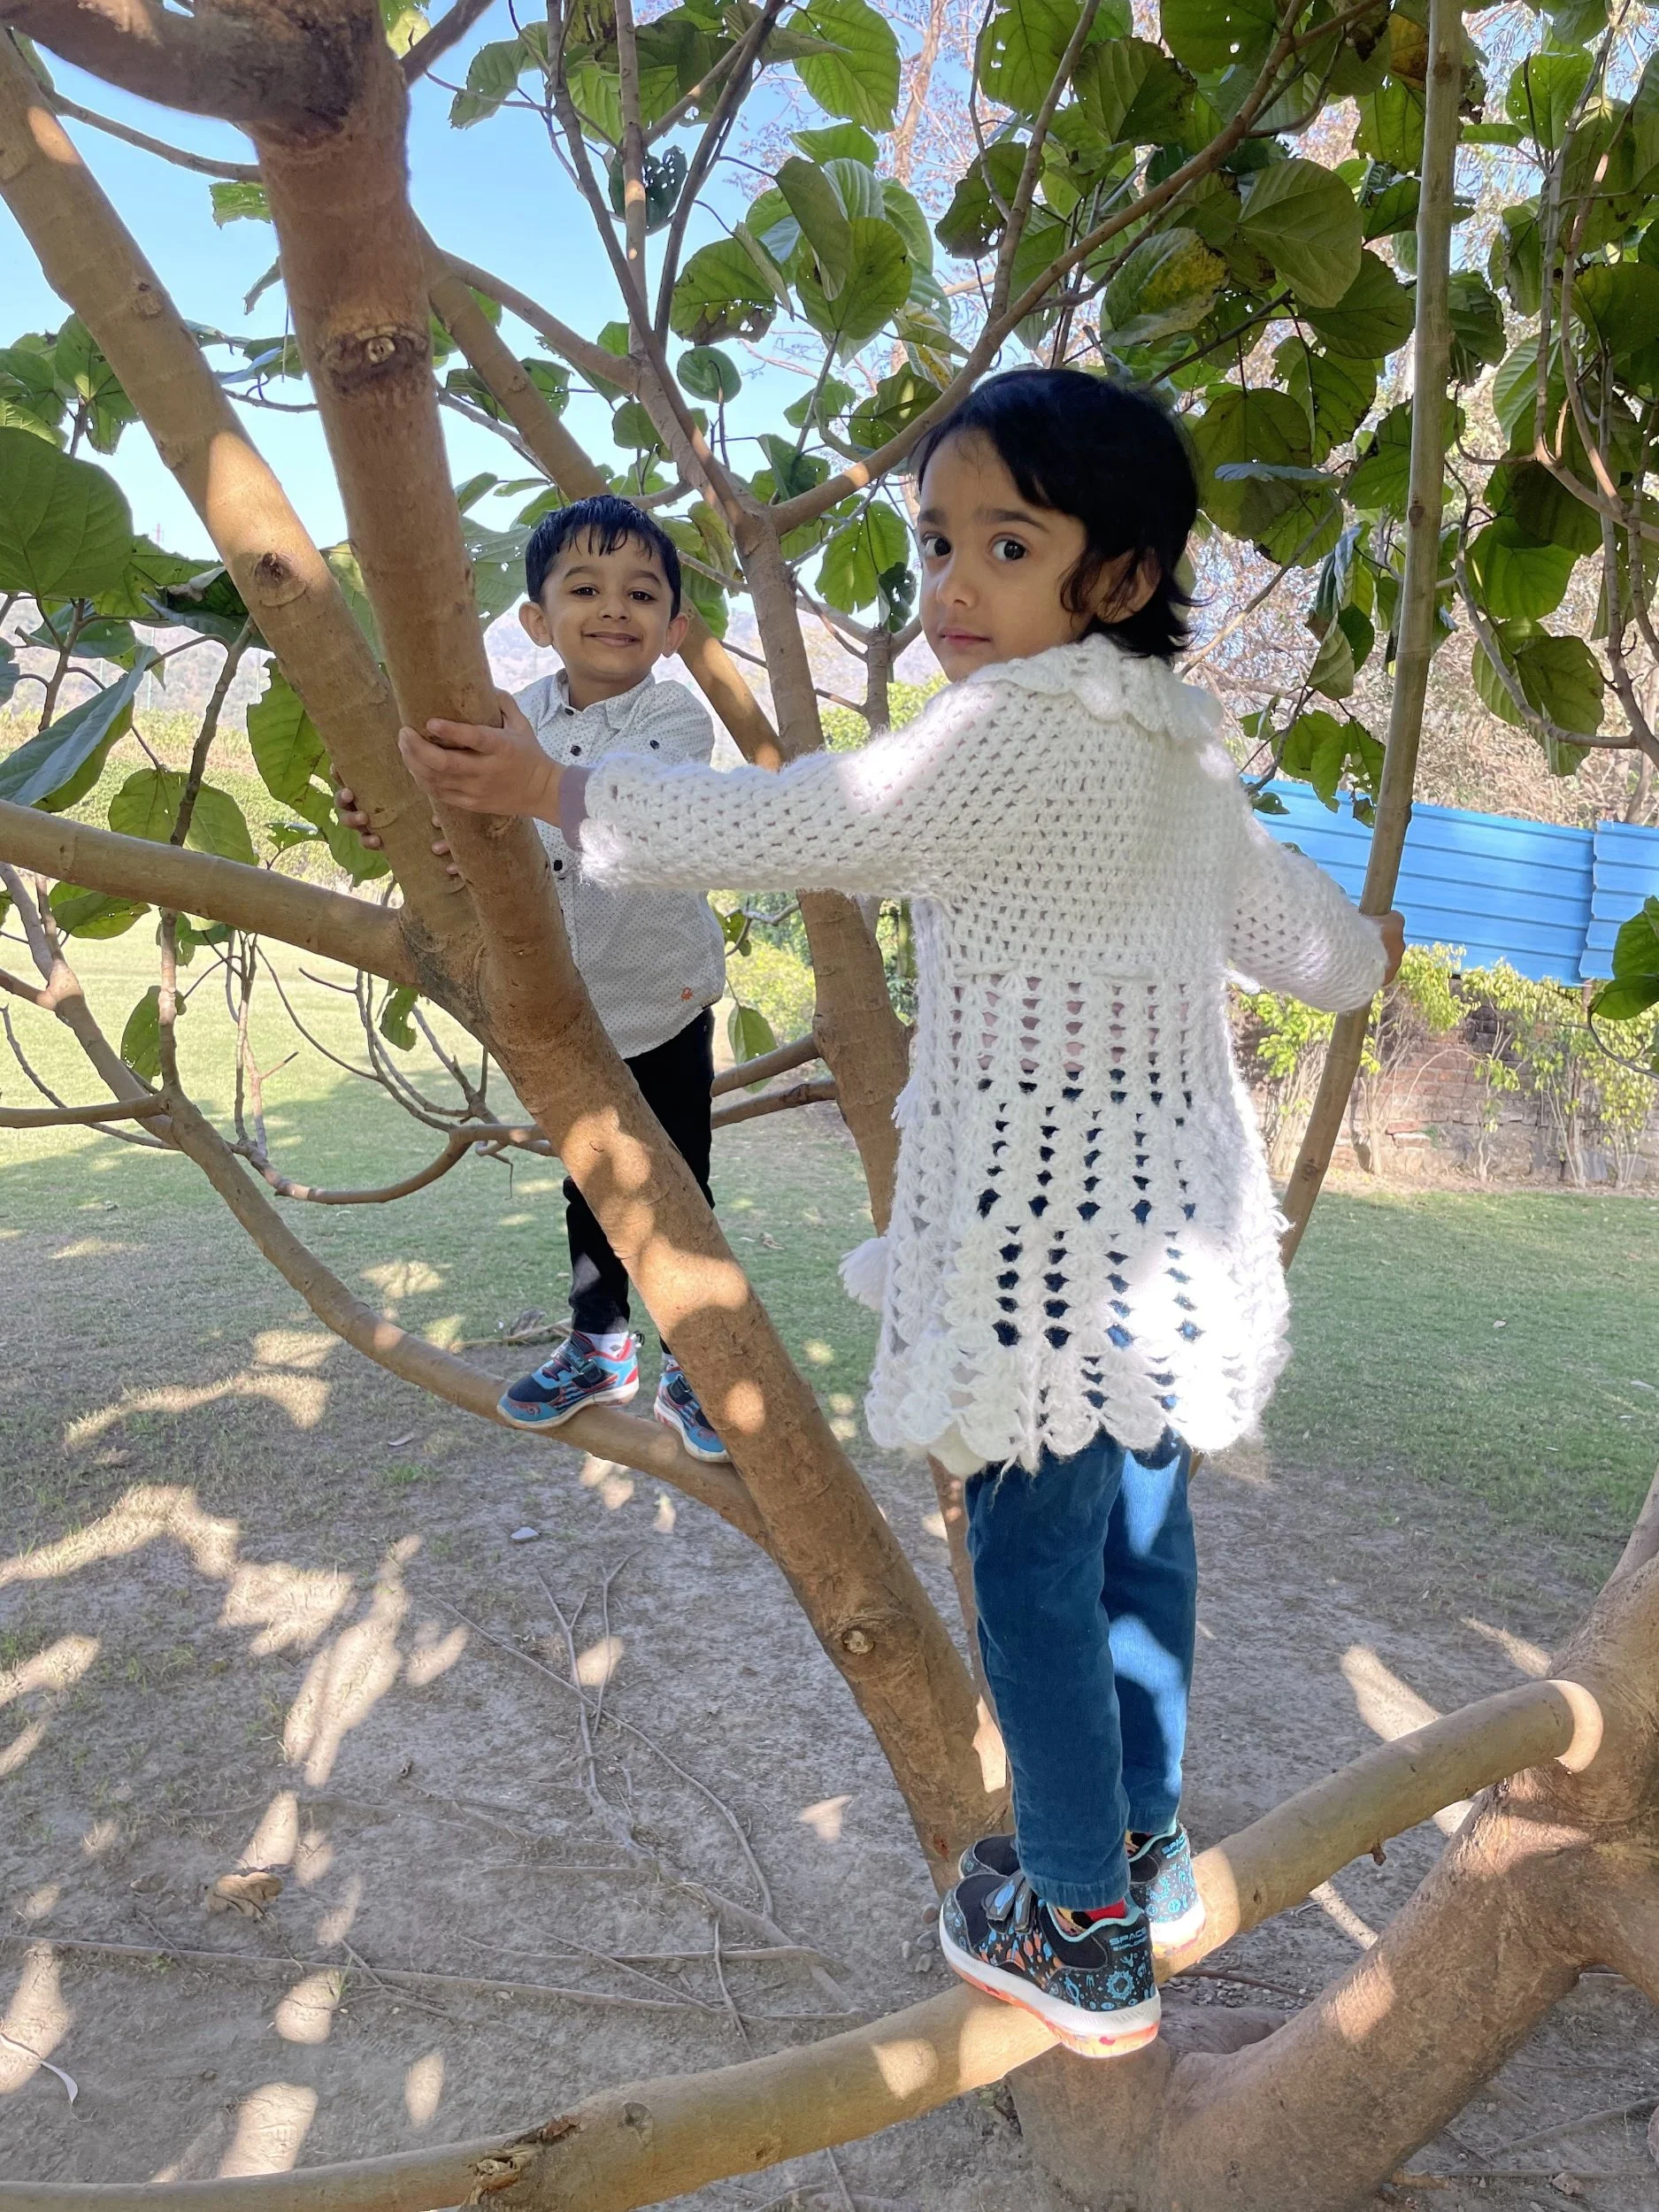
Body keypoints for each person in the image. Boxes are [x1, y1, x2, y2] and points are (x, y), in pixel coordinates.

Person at [387, 371, 1406, 2058]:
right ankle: (1140, 1854)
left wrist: (555, 793)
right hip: (1178, 1258)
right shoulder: (1180, 765)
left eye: (1005, 544)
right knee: (1144, 1550)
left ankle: (1080, 1929)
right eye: (938, 543)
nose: (951, 589)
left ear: (1123, 580)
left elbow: (806, 822)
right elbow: (1309, 950)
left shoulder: (1006, 734)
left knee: (1028, 1570)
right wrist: (1370, 943)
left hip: (1045, 1265)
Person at [335, 495, 731, 1463]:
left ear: (674, 628)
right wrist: (387, 806)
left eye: (642, 593)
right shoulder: (521, 712)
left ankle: (698, 1364)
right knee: (589, 1184)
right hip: (563, 1012)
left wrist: (514, 780)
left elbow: (638, 809)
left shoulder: (672, 714)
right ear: (535, 620)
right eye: (584, 587)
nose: (614, 607)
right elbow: (453, 804)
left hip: (662, 1001)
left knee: (677, 1191)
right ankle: (601, 1347)